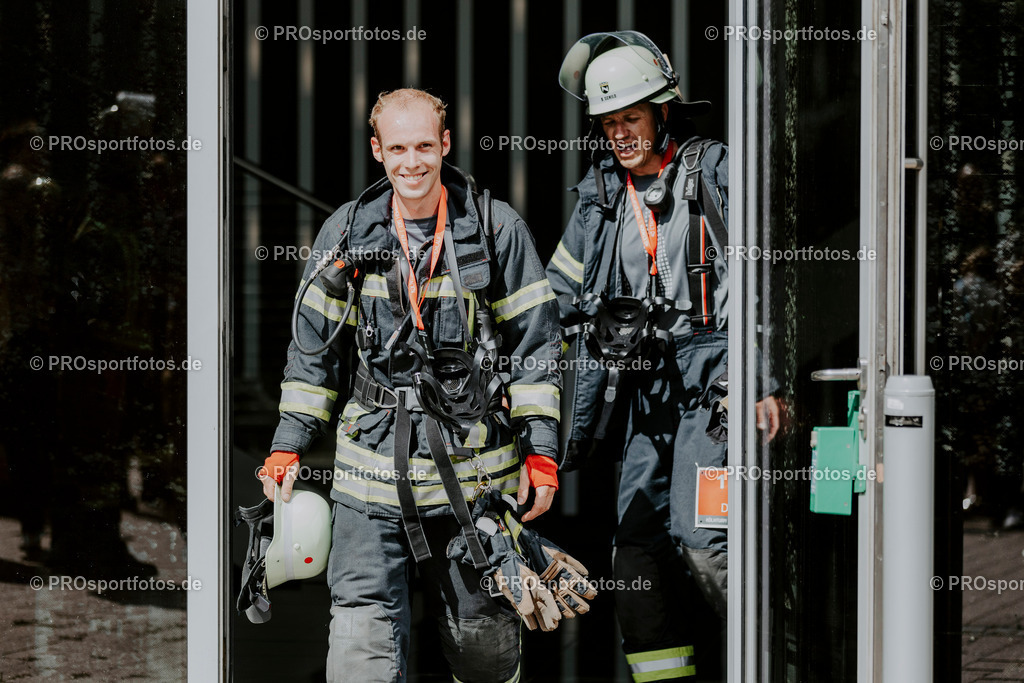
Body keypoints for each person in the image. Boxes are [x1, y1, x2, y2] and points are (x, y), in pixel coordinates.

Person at [259, 88, 563, 683]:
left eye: (425, 145)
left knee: (484, 652)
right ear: (377, 151)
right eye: (397, 147)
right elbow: (310, 355)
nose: (413, 162)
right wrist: (287, 444)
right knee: (360, 642)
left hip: (475, 487)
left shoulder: (497, 230)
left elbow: (537, 350)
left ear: (445, 144)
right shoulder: (346, 232)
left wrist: (543, 454)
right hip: (369, 484)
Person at [547, 32, 780, 681]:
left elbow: (765, 278)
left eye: (632, 117)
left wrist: (757, 378)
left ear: (663, 111)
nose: (621, 132)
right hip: (647, 387)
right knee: (634, 556)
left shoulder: (713, 170)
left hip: (717, 377)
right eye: (609, 122)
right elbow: (554, 296)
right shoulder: (598, 199)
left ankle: (770, 662)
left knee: (706, 542)